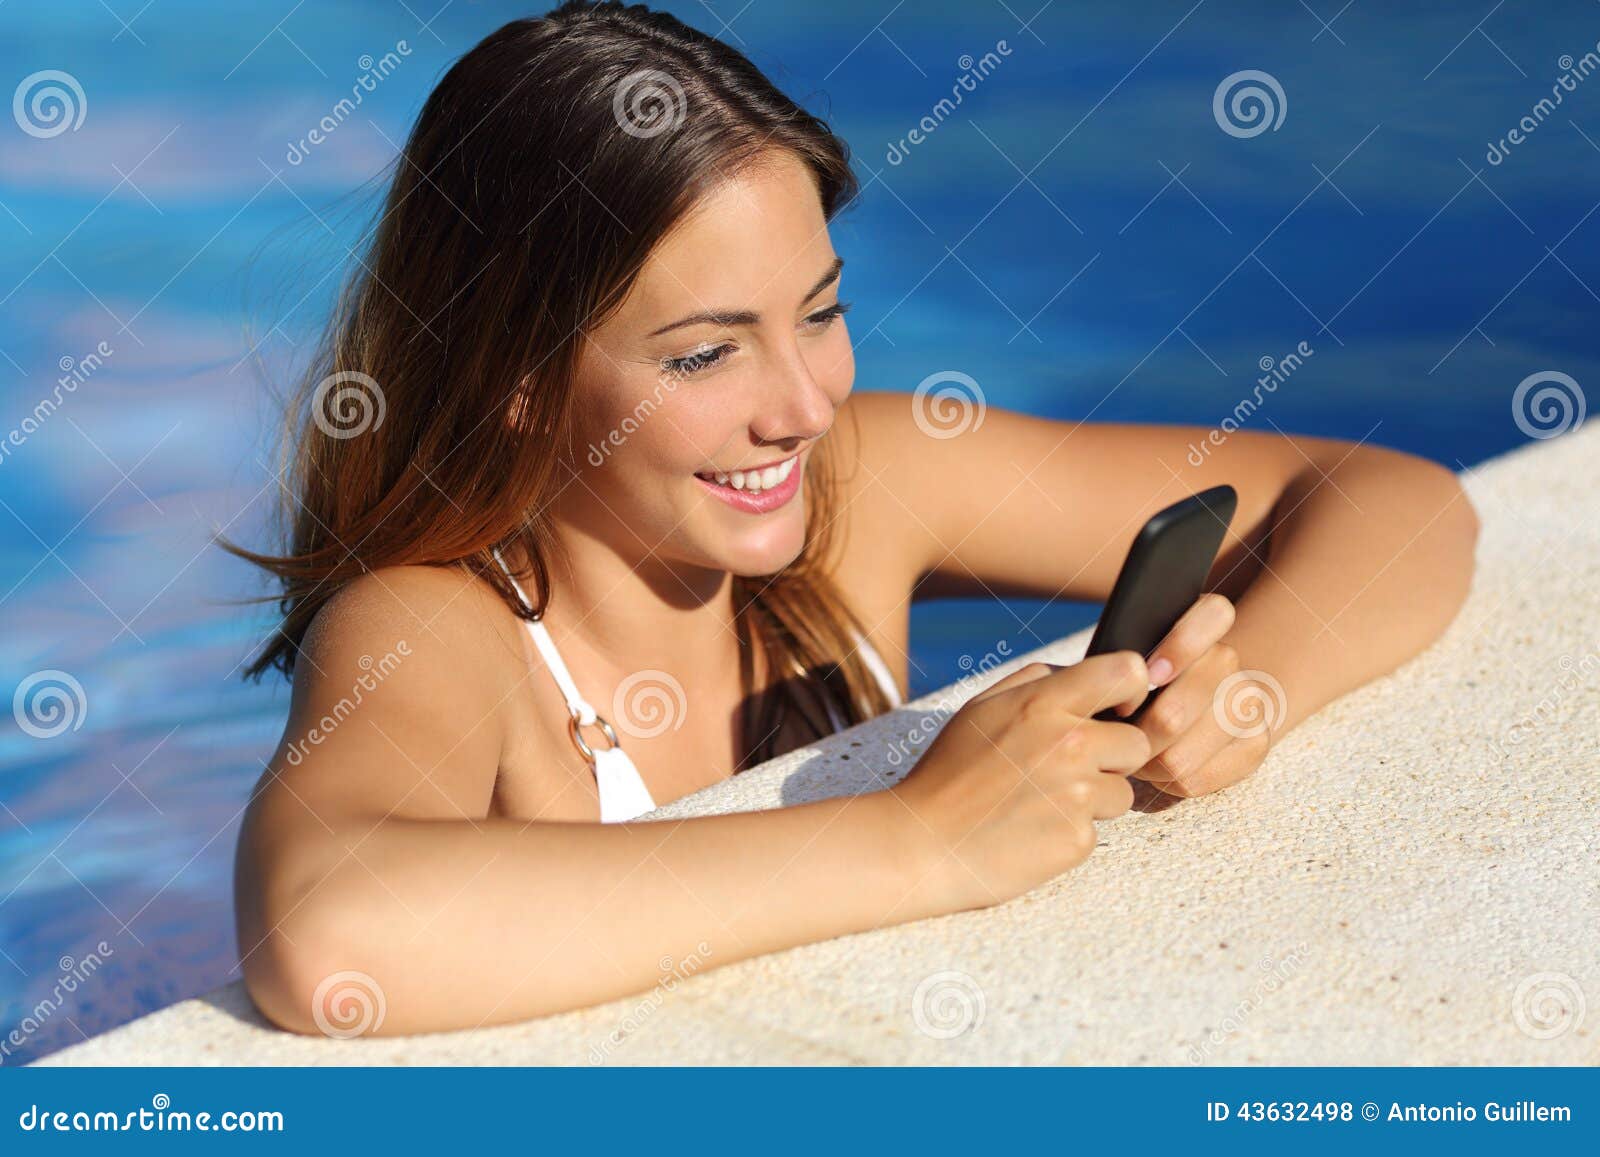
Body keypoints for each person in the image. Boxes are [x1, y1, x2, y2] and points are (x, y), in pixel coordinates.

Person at [229, 0, 1479, 1036]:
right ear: (520, 379)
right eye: (706, 353)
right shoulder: (440, 623)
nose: (801, 403)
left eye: (818, 312)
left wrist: (1247, 686)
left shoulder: (866, 485)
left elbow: (1405, 503)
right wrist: (918, 835)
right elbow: (323, 922)